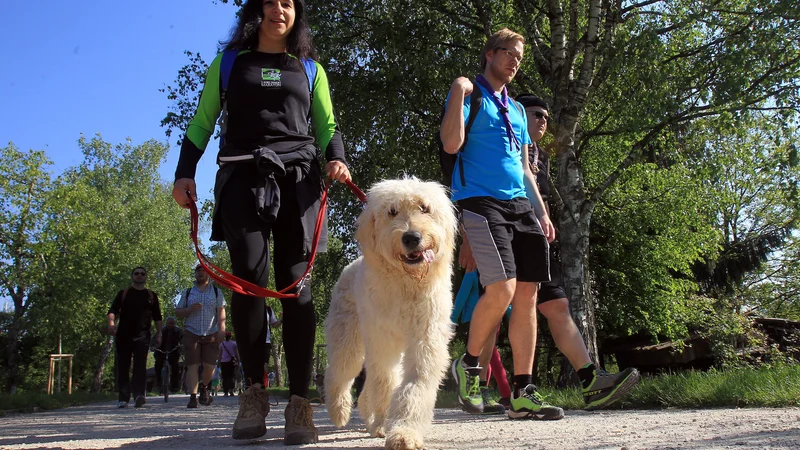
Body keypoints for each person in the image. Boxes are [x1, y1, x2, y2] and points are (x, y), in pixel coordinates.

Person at [170, 0, 350, 443]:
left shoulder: (309, 69)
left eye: (287, 3)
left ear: (296, 14)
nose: (278, 10)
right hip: (241, 177)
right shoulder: (229, 63)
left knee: (296, 284)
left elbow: (326, 124)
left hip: (299, 180)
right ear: (256, 12)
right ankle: (253, 394)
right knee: (248, 279)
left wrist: (337, 159)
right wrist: (183, 172)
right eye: (270, 2)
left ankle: (300, 403)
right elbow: (202, 122)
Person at [440, 28, 563, 420]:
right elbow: (450, 145)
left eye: (520, 58)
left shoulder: (516, 110)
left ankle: (524, 391)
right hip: (479, 200)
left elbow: (526, 169)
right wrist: (458, 92)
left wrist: (541, 211)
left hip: (520, 205)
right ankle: (470, 365)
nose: (515, 62)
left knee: (527, 293)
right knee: (503, 288)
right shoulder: (471, 94)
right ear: (490, 53)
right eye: (509, 53)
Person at [512, 93, 640, 409]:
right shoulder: (503, 145)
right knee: (500, 307)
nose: (543, 119)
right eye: (535, 114)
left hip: (535, 239)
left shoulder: (537, 156)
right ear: (517, 116)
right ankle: (490, 386)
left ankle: (590, 380)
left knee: (557, 306)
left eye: (545, 115)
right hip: (507, 235)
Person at [107, 267, 162, 408]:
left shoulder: (151, 296)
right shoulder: (123, 294)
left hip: (143, 336)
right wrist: (112, 323)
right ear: (132, 276)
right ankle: (123, 398)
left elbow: (157, 317)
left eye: (142, 274)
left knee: (140, 366)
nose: (139, 276)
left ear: (146, 277)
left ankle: (139, 395)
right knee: (123, 366)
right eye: (136, 273)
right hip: (123, 335)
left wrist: (159, 333)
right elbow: (113, 310)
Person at [176, 265, 227, 408]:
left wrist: (222, 329)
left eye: (203, 271)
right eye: (198, 271)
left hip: (211, 333)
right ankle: (193, 397)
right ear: (195, 275)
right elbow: (178, 312)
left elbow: (221, 311)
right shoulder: (188, 293)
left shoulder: (217, 292)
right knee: (192, 365)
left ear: (209, 274)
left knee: (209, 366)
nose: (200, 273)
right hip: (192, 332)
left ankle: (204, 387)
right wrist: (189, 309)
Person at [154, 316, 183, 394]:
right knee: (158, 365)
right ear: (166, 323)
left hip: (173, 351)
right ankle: (158, 383)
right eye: (169, 323)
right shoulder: (161, 330)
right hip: (161, 351)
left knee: (175, 367)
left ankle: (175, 386)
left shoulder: (178, 331)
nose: (171, 325)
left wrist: (182, 345)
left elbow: (183, 339)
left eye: (172, 323)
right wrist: (153, 346)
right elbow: (154, 339)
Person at [262, 304, 282, 387]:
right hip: (252, 341)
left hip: (266, 341)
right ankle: (252, 385)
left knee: (265, 364)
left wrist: (281, 319)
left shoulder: (268, 310)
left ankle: (263, 386)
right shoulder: (249, 306)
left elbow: (274, 324)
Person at [219, 331, 241, 397]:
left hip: (224, 362)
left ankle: (225, 392)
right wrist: (238, 360)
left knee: (225, 377)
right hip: (232, 362)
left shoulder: (221, 344)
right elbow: (236, 353)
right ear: (230, 336)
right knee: (232, 376)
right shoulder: (234, 344)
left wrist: (219, 362)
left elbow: (220, 354)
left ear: (225, 337)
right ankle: (231, 391)